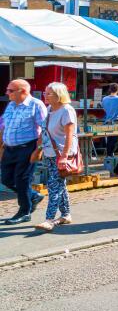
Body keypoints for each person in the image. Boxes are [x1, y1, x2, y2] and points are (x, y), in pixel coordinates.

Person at [1, 79, 47, 225]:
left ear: (23, 91)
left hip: (27, 148)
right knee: (6, 179)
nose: (7, 93)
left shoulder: (36, 105)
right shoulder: (11, 105)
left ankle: (24, 212)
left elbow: (45, 129)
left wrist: (38, 150)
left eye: (10, 90)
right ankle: (33, 196)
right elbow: (4, 126)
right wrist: (1, 146)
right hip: (9, 148)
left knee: (22, 180)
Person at [34, 82, 78, 232]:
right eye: (45, 93)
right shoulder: (49, 109)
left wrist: (64, 156)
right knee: (60, 185)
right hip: (50, 153)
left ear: (59, 95)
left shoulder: (67, 110)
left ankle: (49, 219)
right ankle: (66, 215)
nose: (45, 96)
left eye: (48, 93)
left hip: (62, 154)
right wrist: (39, 148)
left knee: (53, 186)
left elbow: (69, 135)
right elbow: (44, 131)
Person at [101, 84, 118, 159]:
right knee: (115, 140)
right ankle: (110, 155)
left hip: (106, 122)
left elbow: (103, 109)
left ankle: (109, 155)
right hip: (116, 122)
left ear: (110, 89)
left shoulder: (104, 99)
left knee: (110, 139)